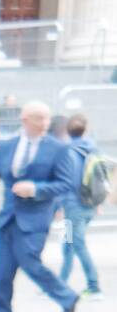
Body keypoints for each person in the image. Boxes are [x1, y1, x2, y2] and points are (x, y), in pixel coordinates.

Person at [0, 101, 81, 312]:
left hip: (35, 219)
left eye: (47, 118)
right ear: (25, 119)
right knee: (3, 272)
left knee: (30, 262)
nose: (45, 123)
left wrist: (36, 189)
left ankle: (68, 298)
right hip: (8, 219)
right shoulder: (6, 147)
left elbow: (66, 184)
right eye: (39, 118)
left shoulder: (58, 149)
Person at [57, 113, 103, 301]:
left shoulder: (67, 151)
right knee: (68, 244)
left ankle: (94, 287)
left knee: (77, 244)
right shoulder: (94, 149)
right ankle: (60, 283)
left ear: (67, 130)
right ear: (86, 128)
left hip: (72, 208)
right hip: (88, 206)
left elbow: (66, 182)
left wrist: (59, 206)